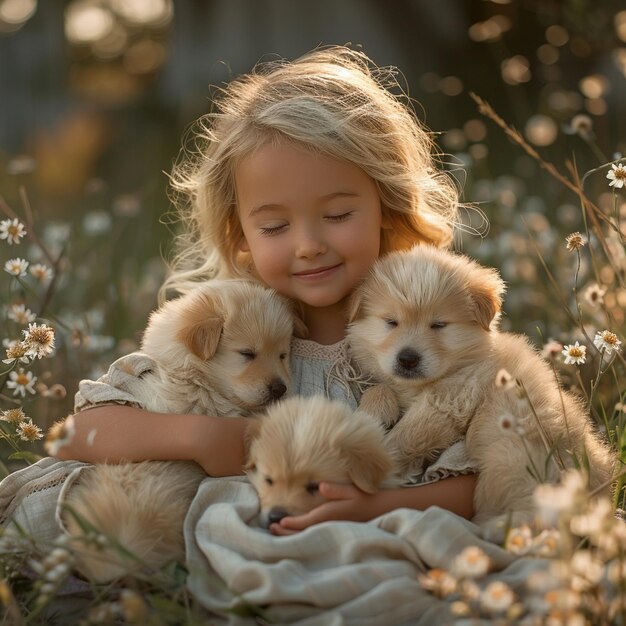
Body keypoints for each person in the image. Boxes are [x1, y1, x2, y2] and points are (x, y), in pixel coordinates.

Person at [13, 46, 478, 539]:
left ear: (387, 208)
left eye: (338, 215)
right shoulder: (235, 325)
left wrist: (375, 506)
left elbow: (476, 480)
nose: (308, 246)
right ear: (241, 238)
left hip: (358, 536)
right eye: (275, 225)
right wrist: (199, 435)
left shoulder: (430, 338)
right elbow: (78, 434)